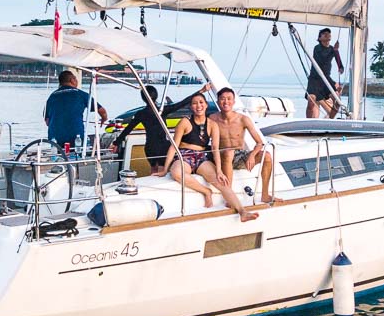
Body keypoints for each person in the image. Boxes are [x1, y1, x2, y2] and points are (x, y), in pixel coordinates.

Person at [158, 93, 258, 222]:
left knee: (222, 182)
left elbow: (215, 148)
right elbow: (174, 146)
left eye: (201, 102)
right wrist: (165, 169)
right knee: (177, 173)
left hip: (201, 157)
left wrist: (219, 170)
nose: (198, 106)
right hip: (184, 155)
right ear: (191, 107)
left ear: (205, 105)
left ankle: (243, 212)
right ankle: (206, 191)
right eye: (194, 103)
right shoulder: (185, 122)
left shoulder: (212, 124)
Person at [112, 82, 213, 174]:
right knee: (161, 172)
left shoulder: (141, 113)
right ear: (156, 96)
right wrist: (201, 91)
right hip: (163, 146)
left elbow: (128, 129)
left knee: (153, 171)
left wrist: (116, 142)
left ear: (143, 98)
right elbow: (182, 103)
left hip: (150, 147)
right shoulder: (162, 110)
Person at [211, 87, 275, 203]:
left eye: (229, 99)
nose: (226, 102)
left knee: (267, 156)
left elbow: (260, 142)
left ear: (234, 102)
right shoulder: (212, 119)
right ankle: (230, 198)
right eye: (222, 99)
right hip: (221, 156)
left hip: (239, 155)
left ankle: (265, 195)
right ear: (218, 102)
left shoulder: (243, 119)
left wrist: (252, 155)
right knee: (228, 152)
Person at [44, 70, 108, 148]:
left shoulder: (52, 97)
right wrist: (104, 119)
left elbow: (47, 121)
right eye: (76, 79)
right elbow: (102, 111)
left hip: (55, 139)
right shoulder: (81, 94)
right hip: (75, 137)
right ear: (72, 80)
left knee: (59, 155)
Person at [305, 27, 344, 118]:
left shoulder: (332, 49)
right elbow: (323, 59)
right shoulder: (317, 48)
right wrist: (334, 51)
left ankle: (330, 120)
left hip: (326, 79)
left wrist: (336, 53)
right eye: (324, 34)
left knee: (338, 102)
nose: (327, 34)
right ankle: (309, 123)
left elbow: (339, 64)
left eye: (329, 33)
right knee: (311, 101)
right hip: (315, 80)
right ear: (319, 38)